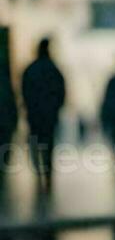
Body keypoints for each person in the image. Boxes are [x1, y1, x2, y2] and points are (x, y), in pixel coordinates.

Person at [20, 37, 65, 194]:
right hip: (49, 115)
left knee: (35, 144)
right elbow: (61, 93)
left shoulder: (31, 70)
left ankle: (38, 172)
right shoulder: (54, 70)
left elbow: (25, 92)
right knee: (48, 145)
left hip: (35, 115)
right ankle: (47, 174)